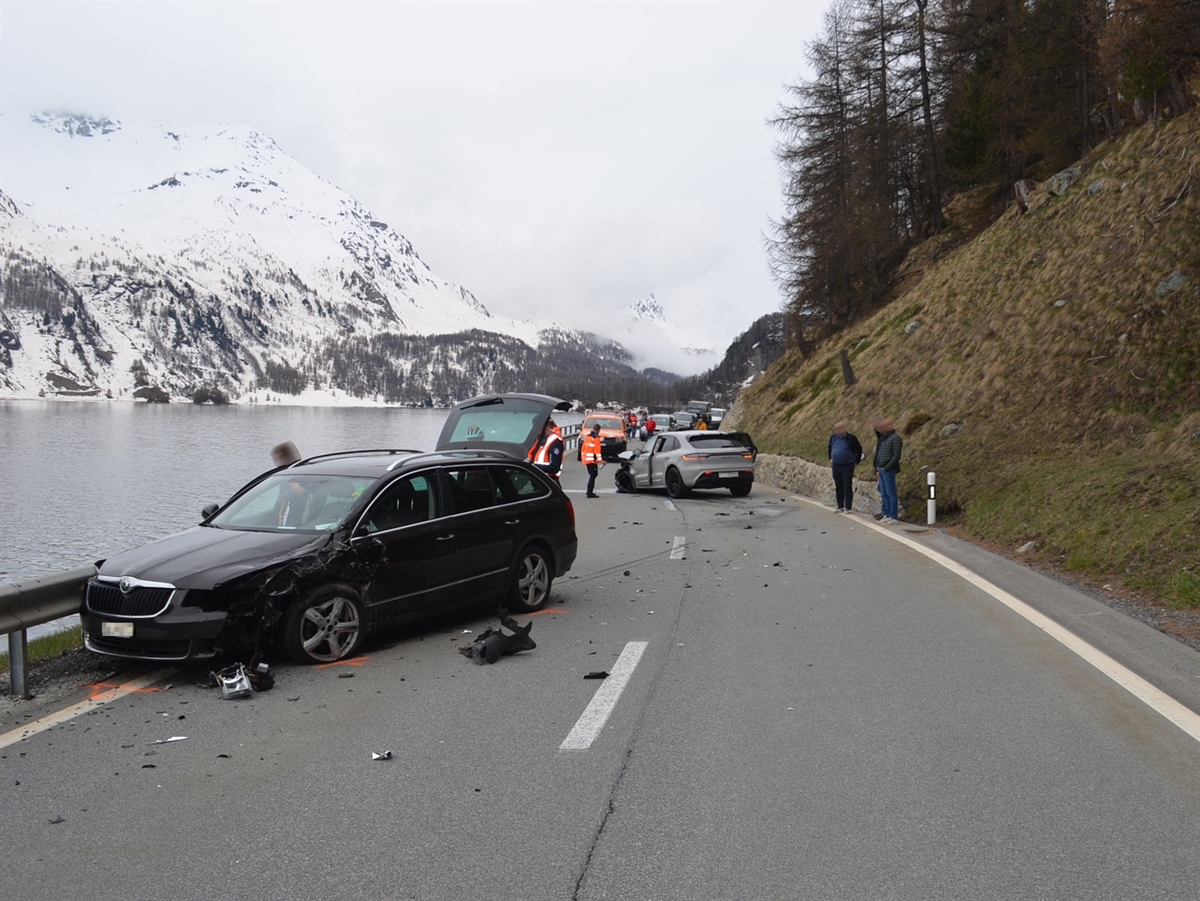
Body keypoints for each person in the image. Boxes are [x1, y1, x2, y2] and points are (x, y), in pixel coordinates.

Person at [827, 421, 864, 513]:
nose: (837, 430)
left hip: (847, 466)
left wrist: (856, 461)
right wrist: (830, 458)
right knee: (838, 486)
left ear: (844, 428)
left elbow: (859, 449)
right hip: (836, 465)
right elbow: (829, 448)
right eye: (836, 428)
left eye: (839, 428)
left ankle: (848, 507)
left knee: (847, 486)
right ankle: (840, 506)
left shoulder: (851, 438)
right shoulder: (833, 438)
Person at [873, 417, 903, 523]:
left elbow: (896, 457)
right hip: (881, 469)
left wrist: (886, 467)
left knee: (891, 492)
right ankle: (887, 513)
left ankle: (893, 515)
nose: (880, 429)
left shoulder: (895, 438)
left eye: (882, 427)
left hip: (888, 470)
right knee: (884, 493)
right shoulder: (885, 438)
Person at [581, 423, 603, 498]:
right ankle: (589, 492)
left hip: (587, 459)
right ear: (598, 430)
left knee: (592, 474)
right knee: (593, 475)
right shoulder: (596, 438)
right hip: (592, 460)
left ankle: (589, 491)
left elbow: (583, 448)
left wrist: (583, 458)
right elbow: (597, 450)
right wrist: (600, 460)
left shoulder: (588, 437)